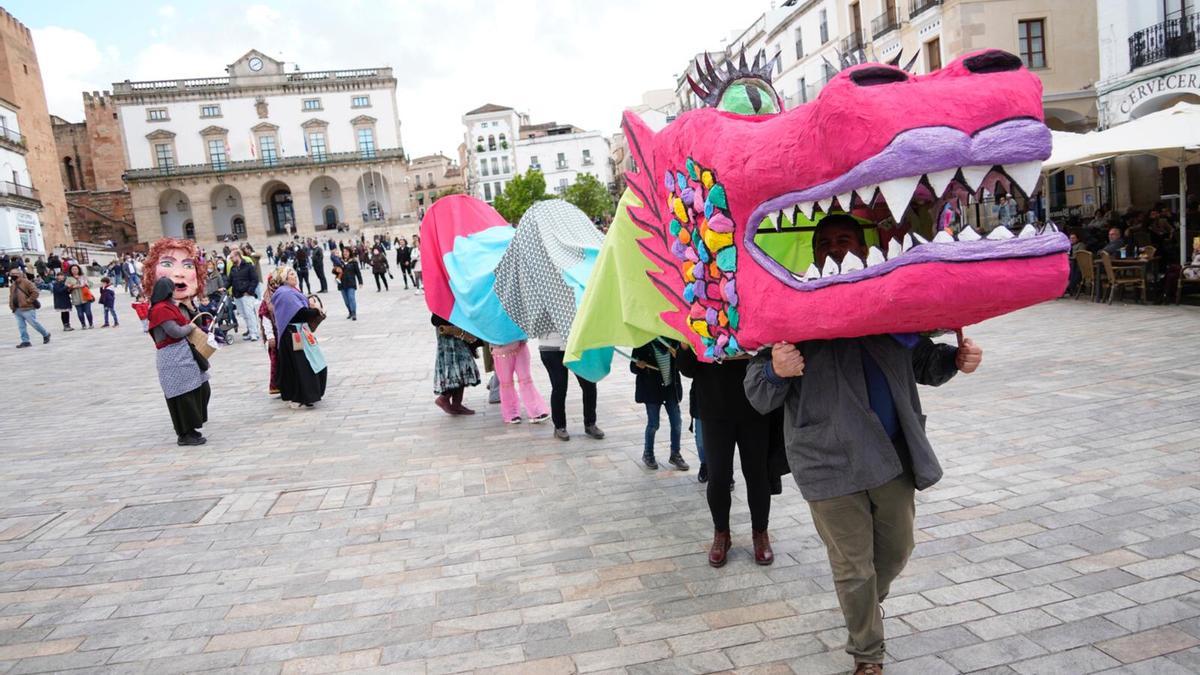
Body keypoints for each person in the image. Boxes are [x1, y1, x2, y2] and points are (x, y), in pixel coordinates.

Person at [743, 214, 984, 674]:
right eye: (826, 242)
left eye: (845, 240)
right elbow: (757, 394)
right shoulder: (790, 311)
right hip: (827, 462)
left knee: (895, 553)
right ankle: (867, 655)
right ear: (814, 254)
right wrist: (776, 368)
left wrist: (957, 358)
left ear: (862, 246)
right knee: (853, 568)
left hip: (891, 455)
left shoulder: (892, 305)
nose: (835, 249)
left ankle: (863, 609)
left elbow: (925, 365)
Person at [145, 251, 210, 446]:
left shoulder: (169, 306)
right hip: (172, 358)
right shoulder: (160, 309)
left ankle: (193, 427)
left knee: (199, 389)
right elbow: (174, 331)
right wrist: (190, 327)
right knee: (183, 396)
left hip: (183, 355)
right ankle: (185, 433)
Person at [272, 268, 328, 409]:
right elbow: (299, 314)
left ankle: (308, 395)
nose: (295, 276)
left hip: (300, 331)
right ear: (284, 278)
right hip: (293, 335)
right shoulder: (284, 294)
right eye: (291, 274)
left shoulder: (292, 291)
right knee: (302, 367)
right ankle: (300, 397)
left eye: (294, 274)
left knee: (312, 363)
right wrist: (316, 310)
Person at [630, 339, 687, 471]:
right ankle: (648, 453)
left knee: (677, 422)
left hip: (670, 389)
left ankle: (675, 454)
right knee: (653, 424)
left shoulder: (673, 341)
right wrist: (639, 365)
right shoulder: (643, 342)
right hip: (652, 390)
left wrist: (679, 357)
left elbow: (684, 366)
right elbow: (632, 366)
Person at [537, 334, 603, 441]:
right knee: (559, 386)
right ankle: (559, 426)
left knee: (589, 383)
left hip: (576, 344)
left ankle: (590, 424)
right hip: (550, 347)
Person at [490, 340, 550, 424]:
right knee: (506, 383)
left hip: (520, 345)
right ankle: (511, 414)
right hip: (500, 350)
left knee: (526, 380)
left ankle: (536, 411)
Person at [432, 314, 481, 415]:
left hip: (457, 330)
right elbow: (435, 320)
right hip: (449, 334)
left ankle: (456, 404)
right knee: (458, 368)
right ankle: (444, 398)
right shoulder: (441, 302)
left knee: (461, 368)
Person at [8, 269, 50, 348]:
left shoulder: (26, 282)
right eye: (11, 274)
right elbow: (11, 296)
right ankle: (25, 341)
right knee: (21, 326)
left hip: (27, 308)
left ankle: (46, 334)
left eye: (14, 274)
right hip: (17, 309)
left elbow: (35, 292)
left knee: (34, 323)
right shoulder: (13, 285)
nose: (12, 275)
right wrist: (11, 305)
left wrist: (28, 301)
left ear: (19, 274)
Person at [227, 249, 260, 341]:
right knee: (244, 315)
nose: (231, 259)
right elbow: (230, 281)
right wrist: (224, 287)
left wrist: (249, 291)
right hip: (237, 295)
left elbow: (255, 280)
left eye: (232, 257)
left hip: (247, 294)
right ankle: (250, 332)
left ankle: (254, 333)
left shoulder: (248, 266)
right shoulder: (233, 269)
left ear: (238, 256)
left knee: (250, 314)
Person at [335, 247, 362, 320]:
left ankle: (354, 313)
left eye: (346, 251)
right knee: (346, 301)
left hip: (351, 283)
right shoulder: (339, 262)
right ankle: (350, 312)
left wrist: (360, 282)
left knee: (351, 298)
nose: (345, 253)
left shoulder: (353, 261)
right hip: (342, 284)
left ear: (349, 252)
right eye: (344, 251)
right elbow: (335, 272)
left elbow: (358, 273)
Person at [67, 264, 95, 329]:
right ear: (70, 271)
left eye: (76, 269)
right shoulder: (69, 279)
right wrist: (72, 287)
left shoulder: (83, 276)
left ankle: (91, 324)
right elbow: (67, 288)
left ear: (78, 269)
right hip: (76, 298)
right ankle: (83, 324)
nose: (74, 270)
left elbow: (91, 284)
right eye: (73, 269)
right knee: (80, 313)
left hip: (86, 297)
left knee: (88, 312)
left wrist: (86, 284)